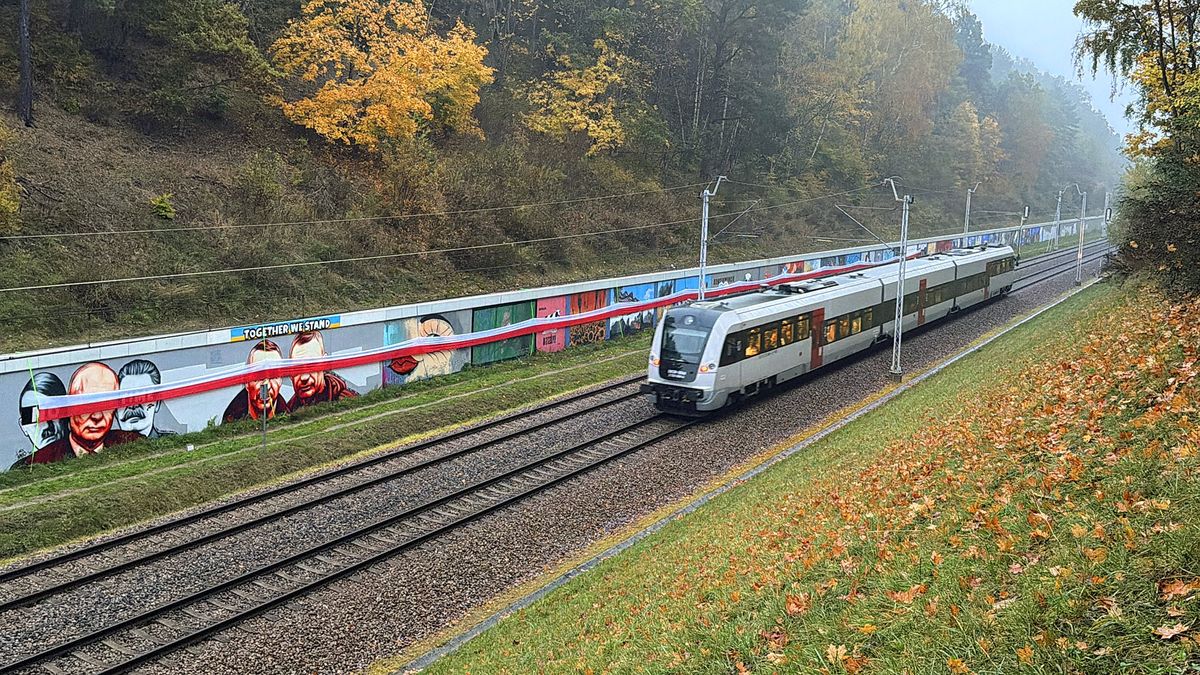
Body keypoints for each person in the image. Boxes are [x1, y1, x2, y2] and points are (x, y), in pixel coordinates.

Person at [20, 363, 142, 465]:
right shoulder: (36, 463)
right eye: (86, 406)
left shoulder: (135, 444)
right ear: (69, 408)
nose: (97, 416)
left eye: (106, 405)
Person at [222, 340, 292, 423]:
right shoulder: (232, 417)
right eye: (259, 377)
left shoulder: (289, 416)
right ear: (246, 382)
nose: (266, 386)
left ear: (281, 380)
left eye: (273, 376)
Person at [288, 331, 358, 410]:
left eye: (311, 365)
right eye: (297, 368)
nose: (304, 377)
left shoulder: (346, 401)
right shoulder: (289, 409)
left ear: (324, 364)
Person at [12, 372, 69, 468]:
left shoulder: (80, 454)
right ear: (23, 426)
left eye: (51, 413)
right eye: (33, 417)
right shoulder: (20, 468)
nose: (47, 426)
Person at [115, 359, 177, 438]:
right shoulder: (106, 448)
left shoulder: (170, 441)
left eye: (143, 397)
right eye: (125, 399)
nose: (133, 405)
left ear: (157, 403)